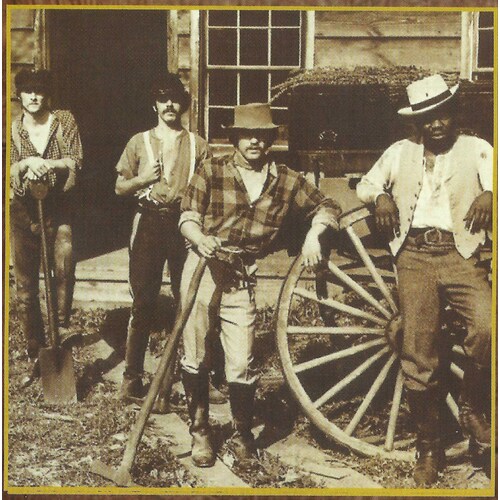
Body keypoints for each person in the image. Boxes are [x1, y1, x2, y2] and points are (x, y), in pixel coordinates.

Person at [178, 102, 342, 467]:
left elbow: (329, 204)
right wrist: (199, 237)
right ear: (235, 138)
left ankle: (242, 434)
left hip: (240, 275)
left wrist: (314, 233)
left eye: (261, 136)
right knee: (196, 354)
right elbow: (187, 215)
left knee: (241, 361)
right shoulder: (211, 169)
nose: (254, 142)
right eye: (247, 135)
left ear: (270, 140)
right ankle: (200, 430)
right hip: (203, 269)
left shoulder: (286, 180)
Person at [356, 74, 492, 486]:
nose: (436, 124)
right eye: (427, 118)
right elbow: (366, 183)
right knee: (418, 351)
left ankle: (471, 407)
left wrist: (491, 195)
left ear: (454, 114)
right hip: (413, 255)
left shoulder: (477, 149)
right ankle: (429, 447)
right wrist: (380, 196)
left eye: (442, 115)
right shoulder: (401, 152)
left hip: (460, 252)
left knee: (488, 326)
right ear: (416, 122)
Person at [115, 73, 210, 401]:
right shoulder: (138, 141)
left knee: (191, 301)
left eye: (175, 99)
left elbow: (210, 189)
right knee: (143, 301)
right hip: (149, 223)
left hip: (185, 224)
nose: (169, 104)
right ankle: (132, 377)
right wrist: (143, 179)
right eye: (162, 98)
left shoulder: (198, 145)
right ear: (154, 104)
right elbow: (119, 187)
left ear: (183, 104)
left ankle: (197, 376)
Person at [10, 69, 83, 387]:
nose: (33, 96)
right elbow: (8, 167)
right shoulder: (14, 128)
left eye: (39, 91)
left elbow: (75, 160)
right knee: (26, 288)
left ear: (47, 94)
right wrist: (25, 164)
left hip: (57, 207)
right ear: (20, 95)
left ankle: (60, 332)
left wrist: (47, 164)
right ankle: (35, 351)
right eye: (28, 91)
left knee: (64, 266)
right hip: (23, 211)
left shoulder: (63, 121)